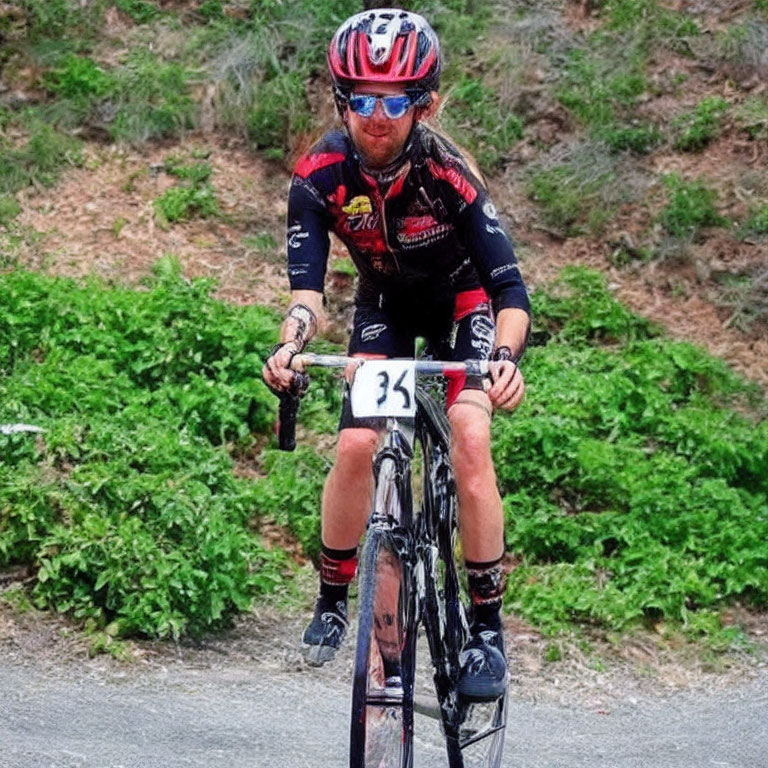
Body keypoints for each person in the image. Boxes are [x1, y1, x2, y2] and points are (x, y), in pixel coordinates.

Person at [262, 8, 530, 702]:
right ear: (339, 100)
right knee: (355, 446)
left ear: (425, 103)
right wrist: (291, 343)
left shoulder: (449, 175)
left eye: (392, 101)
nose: (374, 117)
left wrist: (503, 358)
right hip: (385, 303)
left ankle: (487, 628)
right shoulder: (320, 176)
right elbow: (309, 295)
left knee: (470, 437)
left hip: (463, 303)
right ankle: (331, 596)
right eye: (359, 99)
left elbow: (510, 291)